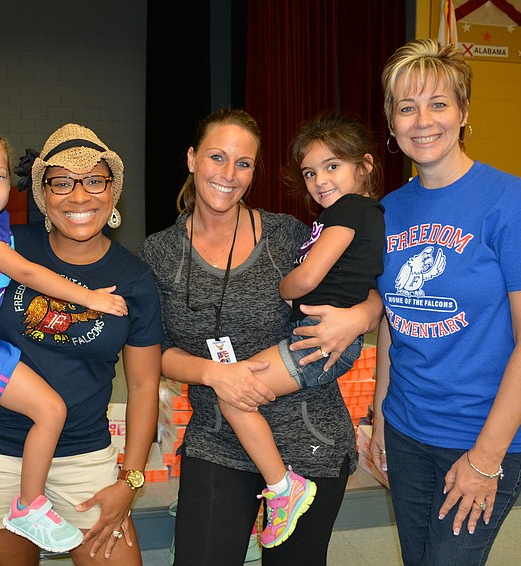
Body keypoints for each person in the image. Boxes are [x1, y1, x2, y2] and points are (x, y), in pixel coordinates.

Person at [138, 107, 383, 566]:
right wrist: (215, 373)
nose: (228, 175)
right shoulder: (160, 252)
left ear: (254, 173)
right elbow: (154, 355)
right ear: (192, 159)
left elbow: (364, 286)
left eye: (243, 163)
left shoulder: (287, 235)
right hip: (219, 438)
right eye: (216, 157)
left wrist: (362, 315)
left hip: (308, 438)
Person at [369, 38, 521, 566]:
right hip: (407, 429)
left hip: (481, 435)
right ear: (391, 122)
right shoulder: (388, 211)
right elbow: (393, 321)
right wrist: (380, 421)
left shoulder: (518, 205)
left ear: (463, 112)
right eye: (406, 107)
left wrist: (485, 459)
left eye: (438, 103)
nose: (422, 120)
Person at [0, 123, 163, 566]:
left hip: (83, 456)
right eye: (62, 183)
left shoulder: (134, 279)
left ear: (113, 192)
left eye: (94, 180)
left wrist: (129, 479)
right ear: (42, 194)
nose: (79, 196)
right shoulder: (9, 242)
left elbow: (145, 386)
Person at [214, 111, 385, 549]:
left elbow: (307, 279)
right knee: (238, 389)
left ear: (364, 166)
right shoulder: (365, 213)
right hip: (322, 334)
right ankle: (281, 485)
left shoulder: (347, 212)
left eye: (333, 166)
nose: (319, 181)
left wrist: (285, 287)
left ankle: (283, 488)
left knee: (234, 394)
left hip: (317, 335)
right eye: (310, 172)